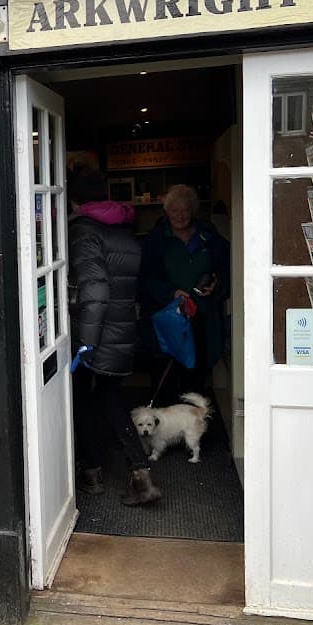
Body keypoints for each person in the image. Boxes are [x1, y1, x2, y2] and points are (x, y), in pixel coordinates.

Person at [67, 169, 161, 506]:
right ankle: (140, 475)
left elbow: (94, 288)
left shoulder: (83, 231)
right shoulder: (123, 230)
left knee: (82, 399)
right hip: (121, 329)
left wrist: (86, 343)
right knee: (108, 399)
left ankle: (93, 472)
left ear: (74, 199)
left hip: (97, 331)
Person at [140, 184, 230, 401]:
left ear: (193, 210)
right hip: (170, 319)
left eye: (185, 210)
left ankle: (193, 429)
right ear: (166, 212)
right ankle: (165, 430)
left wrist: (216, 284)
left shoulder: (209, 236)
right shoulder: (157, 239)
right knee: (166, 375)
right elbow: (146, 279)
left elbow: (227, 267)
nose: (180, 216)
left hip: (201, 316)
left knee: (196, 377)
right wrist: (170, 293)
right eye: (174, 211)